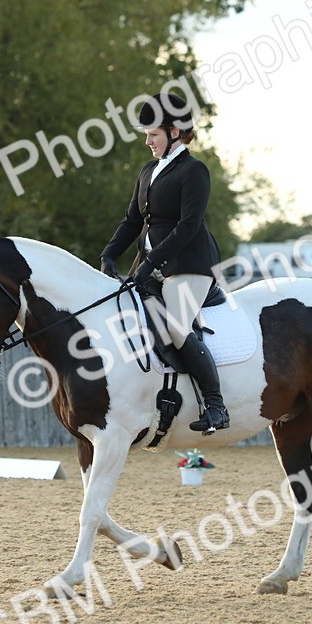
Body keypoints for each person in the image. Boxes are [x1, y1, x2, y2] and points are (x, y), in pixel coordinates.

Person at [100, 92, 230, 433]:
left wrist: (151, 262)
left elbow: (188, 227)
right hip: (149, 265)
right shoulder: (148, 171)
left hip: (189, 265)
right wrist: (109, 253)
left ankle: (216, 406)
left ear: (175, 132)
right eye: (146, 135)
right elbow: (132, 221)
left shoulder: (194, 171)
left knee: (175, 326)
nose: (147, 141)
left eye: (153, 134)